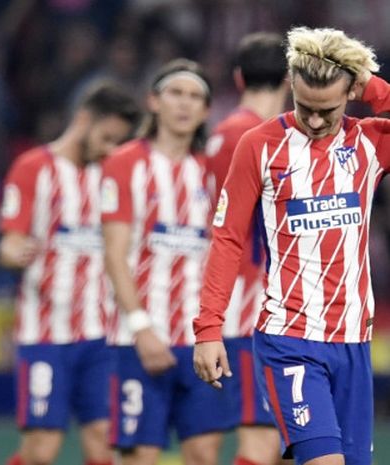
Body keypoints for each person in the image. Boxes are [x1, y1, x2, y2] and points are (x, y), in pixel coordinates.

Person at [193, 26, 387, 465]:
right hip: (289, 338)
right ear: (289, 88)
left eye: (328, 110)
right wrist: (208, 328)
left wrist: (372, 86)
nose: (315, 121)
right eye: (305, 108)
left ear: (350, 94)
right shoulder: (258, 145)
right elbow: (226, 238)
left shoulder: (370, 142)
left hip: (354, 342)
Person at [0, 82, 140, 465]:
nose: (111, 149)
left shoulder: (113, 177)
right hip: (45, 333)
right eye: (107, 137)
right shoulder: (33, 168)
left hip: (101, 335)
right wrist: (15, 252)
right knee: (41, 450)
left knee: (102, 443)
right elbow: (10, 240)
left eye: (119, 142)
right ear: (82, 119)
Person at [102, 58, 231, 465]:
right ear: (153, 101)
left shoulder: (212, 172)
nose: (185, 104)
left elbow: (221, 254)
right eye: (176, 93)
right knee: (140, 457)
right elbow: (115, 254)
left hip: (198, 341)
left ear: (207, 111)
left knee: (205, 455)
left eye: (196, 97)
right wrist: (142, 330)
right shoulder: (125, 163)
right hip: (137, 340)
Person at [204, 33, 289, 465]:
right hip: (259, 310)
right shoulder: (267, 138)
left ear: (238, 78)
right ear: (291, 78)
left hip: (235, 306)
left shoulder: (222, 134)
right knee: (261, 445)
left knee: (281, 445)